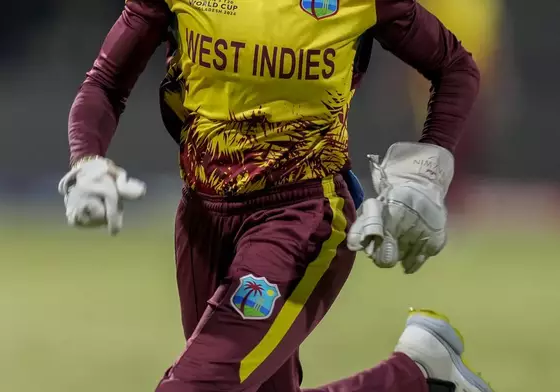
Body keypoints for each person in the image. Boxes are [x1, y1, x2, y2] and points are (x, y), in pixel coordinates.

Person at [57, 0, 488, 391]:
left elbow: (454, 67)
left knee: (195, 387)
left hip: (303, 213)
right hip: (202, 218)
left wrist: (425, 173)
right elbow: (106, 82)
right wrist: (87, 161)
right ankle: (418, 379)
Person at [407, 0, 503, 214]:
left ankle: (454, 201)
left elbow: (492, 44)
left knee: (466, 144)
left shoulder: (485, 6)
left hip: (475, 81)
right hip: (439, 81)